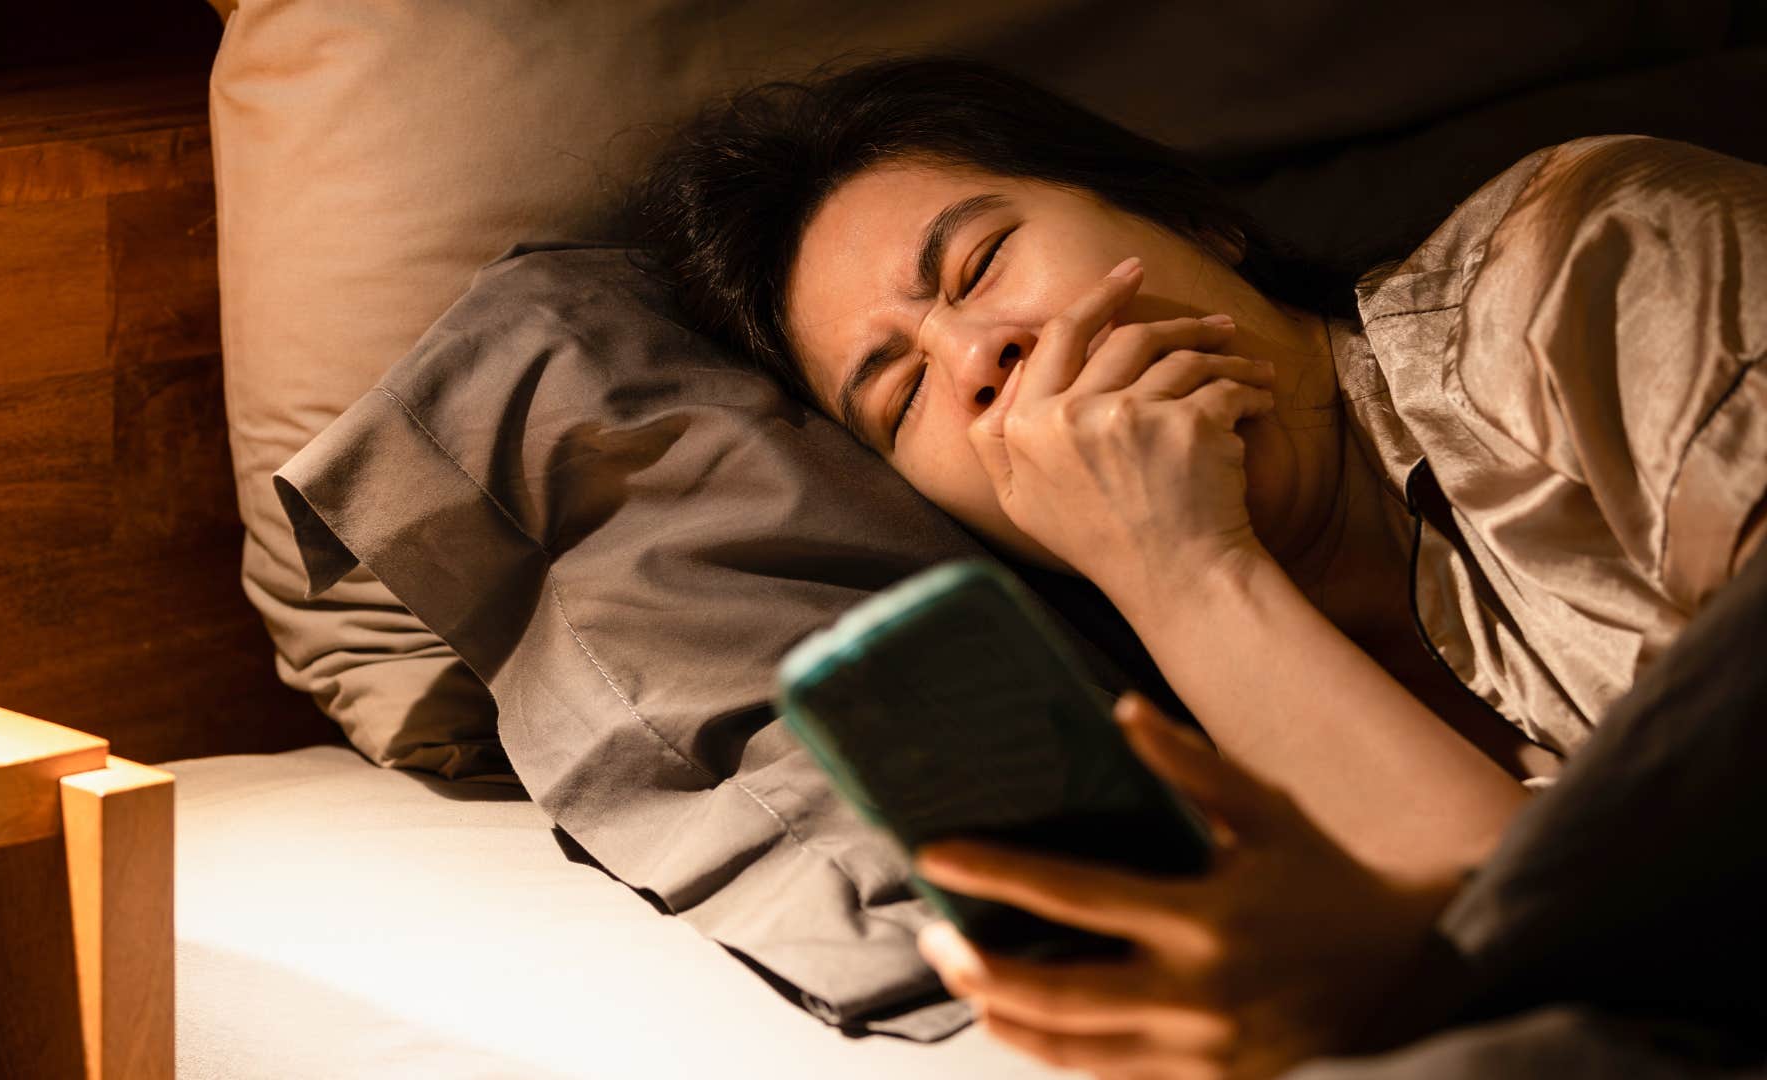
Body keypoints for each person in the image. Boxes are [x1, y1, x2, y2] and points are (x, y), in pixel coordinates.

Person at [628, 56, 1767, 1078]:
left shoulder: (1592, 253)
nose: (979, 356)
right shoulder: (1169, 779)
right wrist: (1170, 565)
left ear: (1188, 217)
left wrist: (1180, 556)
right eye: (905, 393)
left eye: (978, 263)